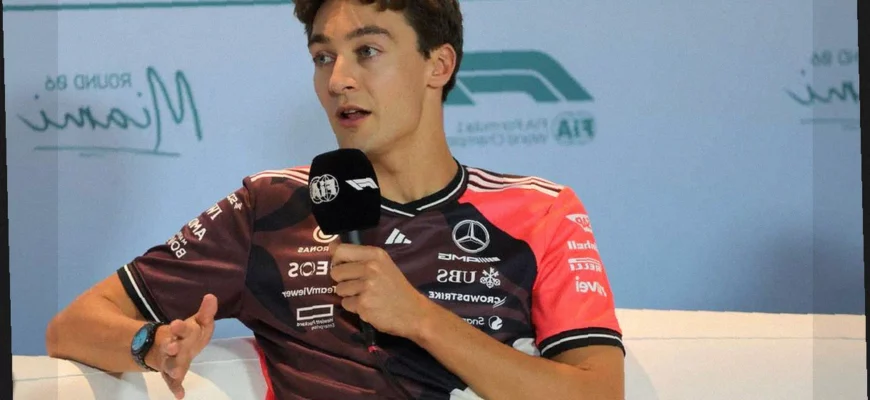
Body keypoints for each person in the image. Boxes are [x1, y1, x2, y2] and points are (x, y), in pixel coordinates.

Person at [45, 0, 626, 398]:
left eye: (367, 51)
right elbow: (73, 326)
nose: (338, 80)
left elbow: (598, 392)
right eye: (323, 57)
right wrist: (151, 345)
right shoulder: (271, 206)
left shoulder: (541, 211)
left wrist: (420, 319)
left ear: (438, 64)